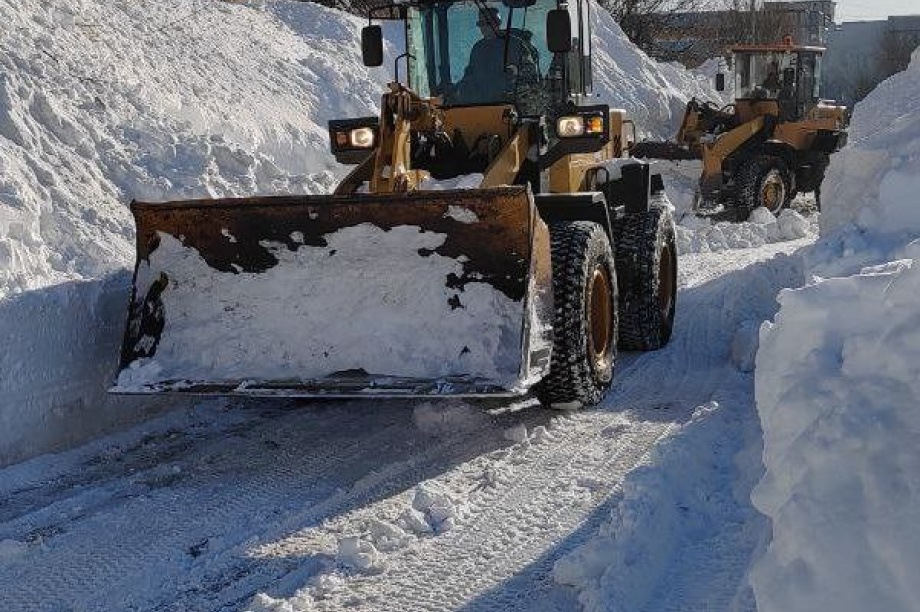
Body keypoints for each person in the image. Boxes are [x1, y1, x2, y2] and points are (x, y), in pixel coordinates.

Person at [456, 7, 538, 104]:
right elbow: (470, 74)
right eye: (481, 24)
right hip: (480, 104)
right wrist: (458, 90)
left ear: (498, 23)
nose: (484, 27)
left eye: (489, 23)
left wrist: (515, 72)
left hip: (511, 105)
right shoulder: (478, 48)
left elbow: (531, 76)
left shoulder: (515, 44)